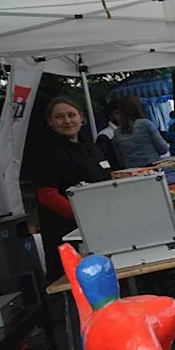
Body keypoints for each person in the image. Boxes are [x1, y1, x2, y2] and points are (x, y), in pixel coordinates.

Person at [29, 97, 112, 282]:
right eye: (59, 117)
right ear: (50, 122)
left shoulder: (92, 148)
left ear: (81, 118)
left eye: (71, 115)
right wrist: (82, 216)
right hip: (68, 233)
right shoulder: (46, 152)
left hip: (101, 227)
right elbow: (47, 195)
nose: (67, 121)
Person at [111, 95, 169, 168]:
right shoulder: (145, 124)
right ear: (138, 108)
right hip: (153, 166)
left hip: (132, 170)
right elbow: (163, 148)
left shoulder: (117, 132)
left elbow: (120, 159)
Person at [94, 99, 123, 169]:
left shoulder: (133, 130)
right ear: (110, 116)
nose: (122, 116)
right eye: (118, 113)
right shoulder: (104, 136)